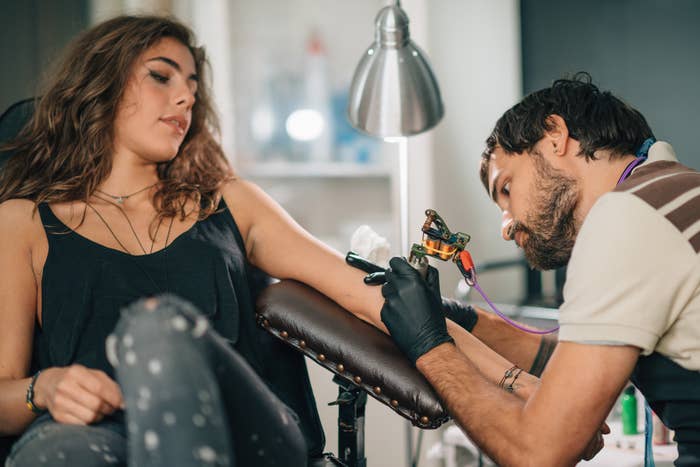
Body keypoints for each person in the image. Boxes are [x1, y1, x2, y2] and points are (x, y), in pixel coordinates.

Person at [0, 14, 566, 467]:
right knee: (57, 451)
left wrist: (519, 385)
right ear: (100, 81)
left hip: (242, 428)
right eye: (161, 75)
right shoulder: (23, 223)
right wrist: (43, 389)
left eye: (193, 86)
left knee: (157, 325)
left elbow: (369, 296)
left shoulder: (226, 201)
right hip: (104, 437)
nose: (185, 98)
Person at [377, 73, 700, 466]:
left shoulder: (627, 216)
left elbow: (537, 453)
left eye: (507, 189)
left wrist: (429, 346)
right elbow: (573, 362)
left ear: (554, 135)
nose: (506, 226)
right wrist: (458, 318)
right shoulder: (671, 193)